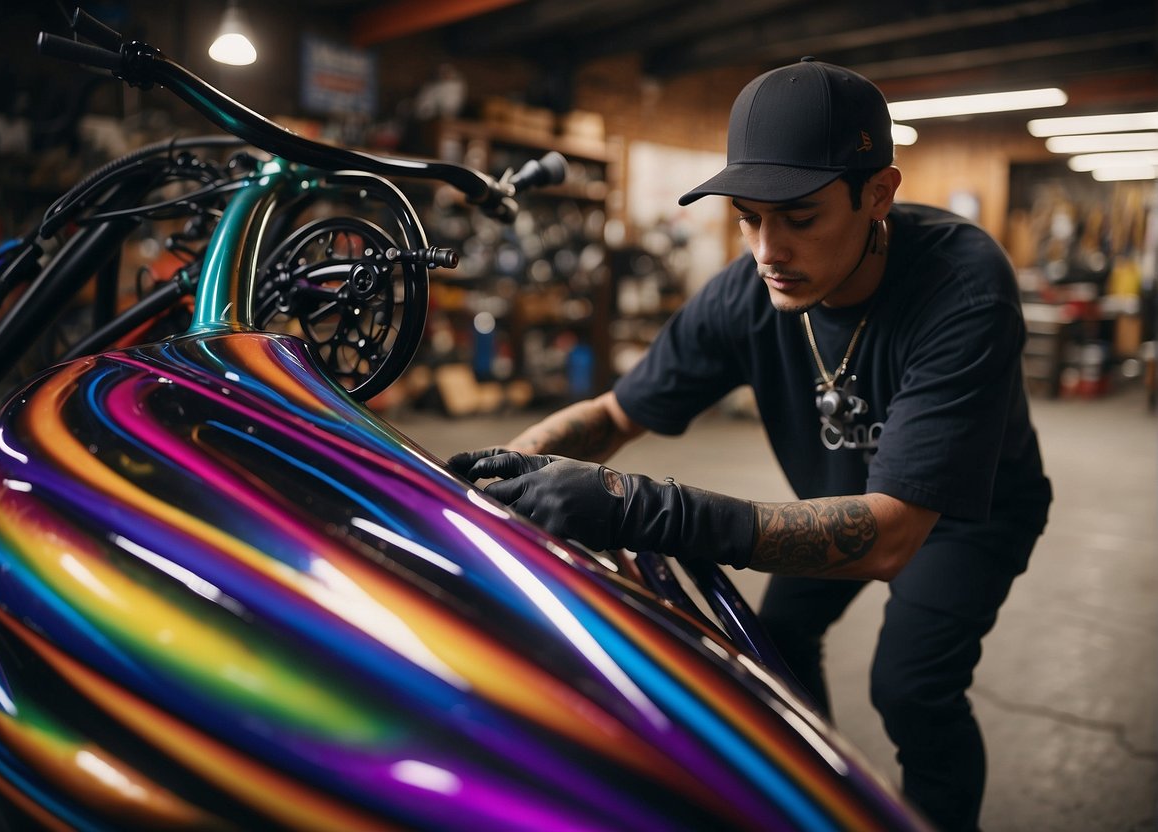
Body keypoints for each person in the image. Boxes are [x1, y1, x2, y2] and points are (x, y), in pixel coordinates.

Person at [450, 57, 1052, 832]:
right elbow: (614, 412)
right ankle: (818, 799)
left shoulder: (963, 289)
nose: (767, 248)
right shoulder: (747, 290)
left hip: (965, 515)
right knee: (776, 642)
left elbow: (892, 535)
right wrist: (508, 468)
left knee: (910, 684)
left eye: (798, 218)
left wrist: (639, 507)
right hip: (846, 495)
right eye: (747, 217)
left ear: (877, 194)